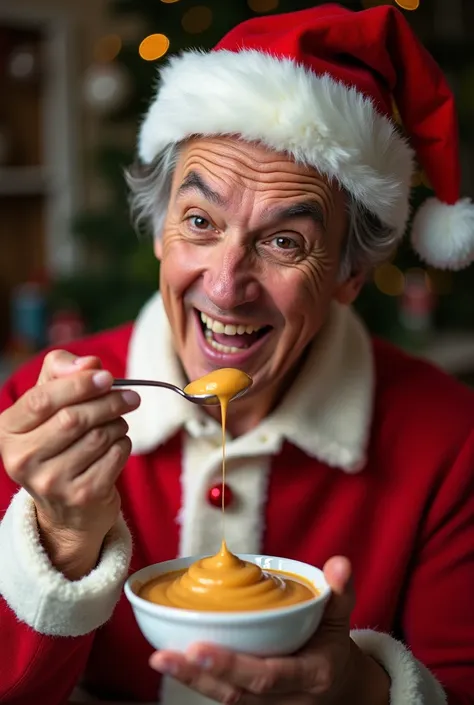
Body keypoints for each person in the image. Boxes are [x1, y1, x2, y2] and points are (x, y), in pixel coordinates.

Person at [1, 4, 474, 704]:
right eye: (200, 221)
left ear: (349, 274)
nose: (225, 286)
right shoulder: (40, 413)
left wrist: (362, 690)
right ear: (160, 233)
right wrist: (62, 541)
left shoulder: (451, 439)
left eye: (285, 241)